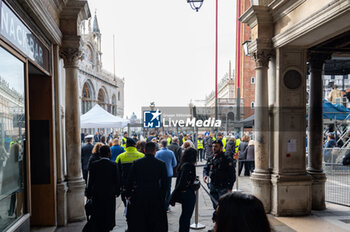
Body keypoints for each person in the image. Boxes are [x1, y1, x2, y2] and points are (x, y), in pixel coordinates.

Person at [125, 142, 168, 232]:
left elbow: (130, 180)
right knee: (154, 218)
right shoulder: (161, 164)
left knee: (141, 219)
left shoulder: (137, 163)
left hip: (140, 193)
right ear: (154, 151)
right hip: (155, 193)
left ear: (144, 150)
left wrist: (128, 194)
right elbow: (165, 183)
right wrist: (162, 196)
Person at [86, 145, 120, 232]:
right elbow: (117, 180)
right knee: (109, 210)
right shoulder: (113, 165)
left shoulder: (94, 165)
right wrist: (117, 191)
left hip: (97, 192)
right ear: (109, 153)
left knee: (98, 210)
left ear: (100, 154)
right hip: (109, 193)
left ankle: (99, 226)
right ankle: (108, 226)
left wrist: (88, 193)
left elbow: (91, 181)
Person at [169, 148, 197, 232]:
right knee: (186, 215)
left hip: (184, 192)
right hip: (187, 193)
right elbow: (183, 181)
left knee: (185, 215)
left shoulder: (183, 164)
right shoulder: (189, 165)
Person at [203, 140, 235, 210]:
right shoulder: (211, 158)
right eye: (213, 146)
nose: (214, 148)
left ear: (221, 147)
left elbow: (232, 174)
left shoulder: (226, 158)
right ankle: (217, 218)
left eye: (216, 146)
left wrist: (230, 187)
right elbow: (206, 168)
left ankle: (223, 220)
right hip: (213, 185)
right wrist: (205, 175)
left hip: (223, 186)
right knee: (215, 206)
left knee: (223, 207)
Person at [116, 138, 144, 205]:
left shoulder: (120, 157)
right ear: (135, 145)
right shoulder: (141, 156)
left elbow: (117, 173)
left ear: (126, 146)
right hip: (138, 185)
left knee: (127, 205)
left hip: (124, 185)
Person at [156, 139, 177, 211]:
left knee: (160, 189)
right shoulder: (171, 153)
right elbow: (175, 164)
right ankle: (166, 206)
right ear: (167, 144)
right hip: (169, 173)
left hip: (159, 174)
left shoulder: (158, 153)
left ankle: (160, 205)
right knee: (168, 189)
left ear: (161, 144)